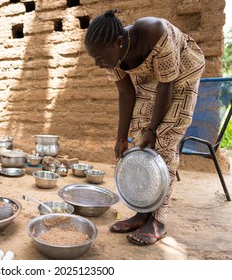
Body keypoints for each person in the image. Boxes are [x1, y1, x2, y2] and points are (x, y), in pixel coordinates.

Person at [84, 10, 205, 245]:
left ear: (118, 43)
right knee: (140, 139)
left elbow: (166, 85)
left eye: (99, 58)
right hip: (152, 78)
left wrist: (153, 129)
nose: (98, 65)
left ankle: (158, 220)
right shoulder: (114, 56)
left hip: (181, 75)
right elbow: (125, 93)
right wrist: (122, 138)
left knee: (163, 142)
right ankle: (143, 213)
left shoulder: (153, 32)